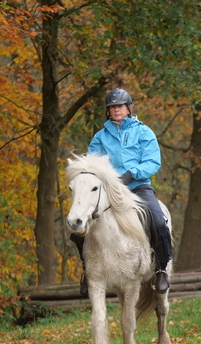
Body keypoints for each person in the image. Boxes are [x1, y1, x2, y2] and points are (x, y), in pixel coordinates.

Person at [71, 88, 173, 295]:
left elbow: (153, 162)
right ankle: (87, 270)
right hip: (108, 191)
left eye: (120, 106)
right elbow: (91, 165)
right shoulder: (100, 137)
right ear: (108, 111)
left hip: (138, 187)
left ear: (128, 108)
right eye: (112, 107)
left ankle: (161, 269)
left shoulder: (144, 132)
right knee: (79, 224)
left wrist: (130, 174)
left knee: (158, 221)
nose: (116, 110)